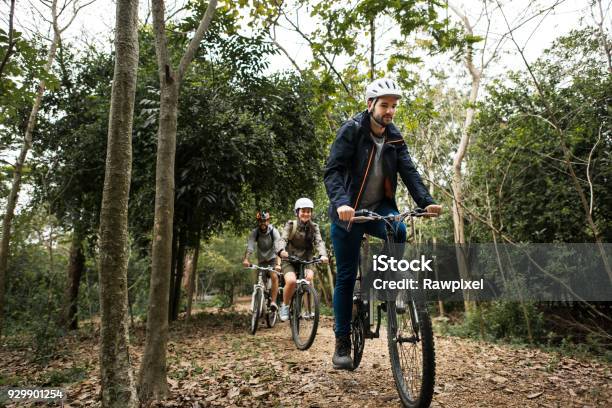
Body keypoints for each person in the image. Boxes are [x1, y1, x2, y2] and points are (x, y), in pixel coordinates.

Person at [324, 77, 442, 369]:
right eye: (385, 105)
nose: (390, 111)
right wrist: (341, 203)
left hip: (380, 209)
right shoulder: (351, 130)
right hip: (348, 214)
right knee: (346, 276)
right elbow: (333, 171)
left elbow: (409, 171)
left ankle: (387, 282)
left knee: (398, 228)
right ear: (370, 105)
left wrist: (425, 201)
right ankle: (341, 343)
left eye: (394, 106)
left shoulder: (394, 136)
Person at [277, 198, 329, 322]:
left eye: (308, 211)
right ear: (297, 212)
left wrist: (323, 255)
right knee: (291, 281)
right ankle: (285, 305)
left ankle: (307, 309)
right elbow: (283, 239)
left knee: (309, 279)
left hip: (306, 259)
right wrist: (281, 251)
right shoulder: (291, 225)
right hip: (289, 258)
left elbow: (319, 242)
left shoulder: (314, 227)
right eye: (303, 211)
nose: (306, 214)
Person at [242, 210, 281, 313]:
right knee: (259, 281)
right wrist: (246, 259)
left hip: (272, 259)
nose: (263, 223)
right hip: (261, 260)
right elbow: (250, 246)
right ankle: (259, 304)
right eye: (260, 221)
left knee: (274, 276)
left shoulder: (274, 231)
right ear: (258, 222)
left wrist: (278, 264)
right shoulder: (255, 232)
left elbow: (278, 248)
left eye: (265, 221)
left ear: (268, 221)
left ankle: (273, 302)